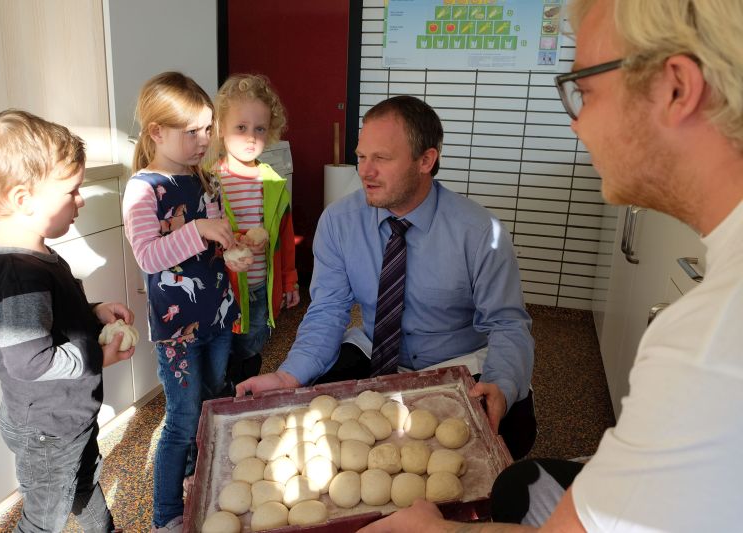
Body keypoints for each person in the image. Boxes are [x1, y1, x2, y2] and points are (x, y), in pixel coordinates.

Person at [358, 0, 743, 531]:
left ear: (676, 88)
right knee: (522, 481)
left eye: (583, 90)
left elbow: (508, 325)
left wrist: (436, 530)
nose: (576, 125)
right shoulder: (343, 221)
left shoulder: (713, 339)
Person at [237, 95, 536, 459]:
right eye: (362, 156)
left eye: (382, 158)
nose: (364, 171)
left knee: (511, 433)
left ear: (426, 160)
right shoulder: (339, 221)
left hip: (460, 358)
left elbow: (507, 324)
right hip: (375, 347)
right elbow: (329, 310)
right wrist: (288, 376)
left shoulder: (479, 233)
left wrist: (501, 384)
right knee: (318, 422)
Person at [0, 109, 133, 532]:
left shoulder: (32, 252)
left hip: (65, 419)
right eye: (72, 191)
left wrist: (92, 316)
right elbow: (30, 361)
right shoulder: (19, 273)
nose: (81, 200)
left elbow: (50, 322)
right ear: (23, 199)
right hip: (48, 432)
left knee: (82, 487)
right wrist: (98, 355)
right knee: (45, 519)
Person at [122, 71, 250, 532]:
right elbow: (149, 255)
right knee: (181, 416)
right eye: (191, 131)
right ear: (157, 132)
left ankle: (201, 483)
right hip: (179, 330)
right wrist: (196, 230)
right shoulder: (144, 189)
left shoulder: (204, 180)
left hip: (216, 315)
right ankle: (165, 515)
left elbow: (212, 245)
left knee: (213, 400)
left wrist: (233, 252)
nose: (204, 140)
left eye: (207, 128)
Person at [210, 73, 299, 387]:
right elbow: (201, 237)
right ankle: (225, 387)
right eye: (241, 127)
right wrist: (233, 242)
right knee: (224, 347)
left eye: (259, 129)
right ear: (220, 129)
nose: (251, 137)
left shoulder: (272, 180)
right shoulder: (211, 181)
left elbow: (285, 237)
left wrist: (289, 279)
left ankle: (243, 381)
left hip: (262, 285)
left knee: (254, 340)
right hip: (224, 290)